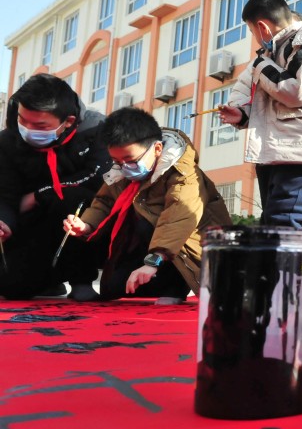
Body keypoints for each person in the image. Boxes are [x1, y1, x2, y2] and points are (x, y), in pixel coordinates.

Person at [62, 108, 231, 304]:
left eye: (130, 160)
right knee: (114, 288)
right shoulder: (120, 171)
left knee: (148, 221)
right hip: (144, 245)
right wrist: (85, 225)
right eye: (117, 161)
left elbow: (177, 220)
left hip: (185, 247)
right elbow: (104, 202)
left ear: (157, 149)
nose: (124, 167)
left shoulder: (184, 174)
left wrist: (153, 261)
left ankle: (175, 287)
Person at [218, 0, 302, 229]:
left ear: (262, 27)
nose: (254, 38)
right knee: (279, 226)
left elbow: (296, 93)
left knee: (284, 226)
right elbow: (258, 95)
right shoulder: (270, 53)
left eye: (251, 31)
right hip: (278, 152)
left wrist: (261, 65)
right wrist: (242, 114)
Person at [0, 74, 110, 301]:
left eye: (39, 125)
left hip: (83, 220)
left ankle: (82, 280)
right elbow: (6, 191)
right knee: (12, 287)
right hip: (33, 222)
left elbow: (97, 179)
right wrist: (4, 221)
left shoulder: (97, 130)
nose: (27, 129)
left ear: (68, 121)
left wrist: (40, 194)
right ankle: (49, 281)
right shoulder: (7, 140)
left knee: (76, 199)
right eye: (22, 120)